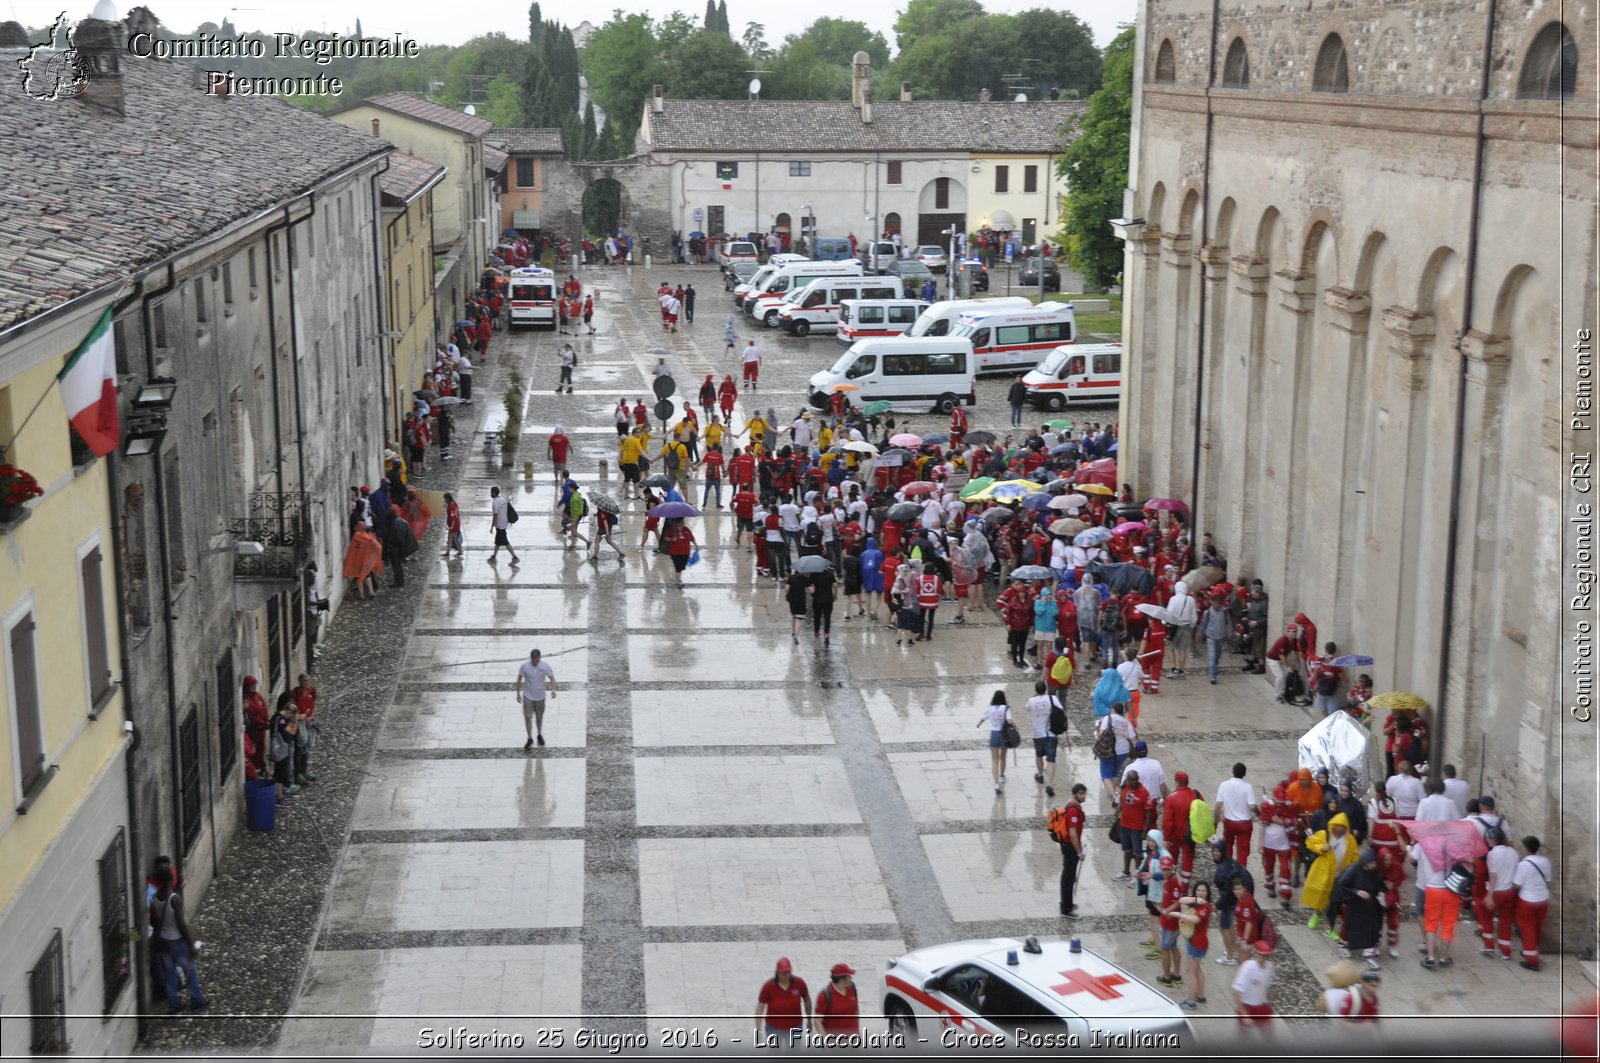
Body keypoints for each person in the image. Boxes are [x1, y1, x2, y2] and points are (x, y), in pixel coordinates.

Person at [148, 866, 208, 1014]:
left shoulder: (155, 898)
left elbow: (155, 922)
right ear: (171, 880)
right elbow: (181, 924)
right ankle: (197, 1000)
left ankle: (174, 1006)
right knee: (190, 972)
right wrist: (191, 944)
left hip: (164, 942)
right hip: (178, 941)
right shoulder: (175, 899)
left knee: (170, 975)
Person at [1303, 813, 1357, 931]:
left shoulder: (1350, 840)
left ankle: (1331, 921)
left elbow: (1354, 856)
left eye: (1341, 827)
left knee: (1335, 901)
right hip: (1324, 873)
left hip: (1340, 875)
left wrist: (1353, 870)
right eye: (1336, 826)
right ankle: (1317, 914)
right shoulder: (1324, 834)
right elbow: (1309, 842)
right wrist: (1322, 847)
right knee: (1321, 896)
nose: (1338, 829)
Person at [1337, 847, 1386, 969]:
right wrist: (1356, 892)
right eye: (1372, 863)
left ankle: (1369, 955)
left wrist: (1381, 892)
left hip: (1370, 905)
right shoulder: (1353, 870)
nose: (1374, 865)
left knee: (1372, 928)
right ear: (1366, 862)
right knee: (1351, 926)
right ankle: (1343, 945)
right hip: (1354, 905)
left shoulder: (1374, 872)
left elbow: (1381, 884)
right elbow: (1342, 886)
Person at [1477, 828, 1518, 960]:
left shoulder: (1492, 854)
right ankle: (1505, 951)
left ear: (1493, 839)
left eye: (1488, 838)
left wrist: (1489, 896)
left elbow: (1493, 876)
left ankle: (1488, 946)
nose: (1487, 840)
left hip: (1497, 891)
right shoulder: (1512, 852)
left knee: (1486, 916)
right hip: (1510, 891)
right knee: (1505, 920)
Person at [1513, 836, 1552, 971]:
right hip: (1543, 899)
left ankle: (1532, 961)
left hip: (1528, 900)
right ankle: (1531, 951)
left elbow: (1517, 884)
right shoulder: (1545, 861)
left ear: (1527, 848)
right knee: (1537, 928)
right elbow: (1547, 880)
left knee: (1527, 929)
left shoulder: (1523, 864)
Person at [1174, 881, 1214, 1009]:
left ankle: (1190, 1001)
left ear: (1208, 894)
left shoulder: (1206, 907)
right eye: (1199, 890)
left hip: (1197, 943)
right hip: (1198, 943)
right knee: (1197, 969)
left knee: (1190, 971)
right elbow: (1181, 899)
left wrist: (1179, 915)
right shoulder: (1197, 903)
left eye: (1204, 891)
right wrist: (1196, 899)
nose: (1201, 893)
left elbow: (1195, 920)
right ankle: (1200, 995)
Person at [755, 957, 810, 1045]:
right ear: (778, 972)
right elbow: (760, 1007)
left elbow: (807, 1000)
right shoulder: (768, 986)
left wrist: (809, 1019)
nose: (787, 975)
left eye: (789, 972)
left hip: (795, 1028)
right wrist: (758, 1029)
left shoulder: (799, 983)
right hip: (773, 1028)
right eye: (784, 973)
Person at [1213, 762, 1258, 867]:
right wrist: (1258, 813)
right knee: (1242, 851)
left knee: (1228, 846)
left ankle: (1227, 869)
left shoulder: (1224, 785)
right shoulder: (1248, 787)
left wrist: (1215, 821)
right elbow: (1252, 807)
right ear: (1244, 774)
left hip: (1229, 823)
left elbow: (1218, 806)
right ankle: (1241, 874)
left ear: (1232, 772)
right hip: (1245, 824)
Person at [515, 648, 557, 750]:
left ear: (539, 658)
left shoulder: (545, 666)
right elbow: (519, 679)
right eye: (533, 660)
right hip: (528, 695)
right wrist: (518, 693)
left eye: (536, 660)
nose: (534, 662)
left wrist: (553, 689)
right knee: (528, 717)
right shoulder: (525, 667)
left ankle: (539, 734)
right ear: (531, 658)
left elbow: (552, 678)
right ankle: (529, 738)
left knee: (539, 717)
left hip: (540, 696)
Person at [1056, 783, 1088, 917]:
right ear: (1075, 794)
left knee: (1068, 875)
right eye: (1080, 793)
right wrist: (1079, 851)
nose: (1083, 796)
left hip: (1068, 846)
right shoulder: (1074, 810)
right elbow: (1073, 833)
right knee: (1069, 877)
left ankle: (1067, 902)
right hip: (1070, 847)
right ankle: (1066, 909)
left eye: (1084, 793)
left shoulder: (1072, 806)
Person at [1116, 769, 1154, 880]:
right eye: (1131, 779)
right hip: (1124, 826)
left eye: (1135, 779)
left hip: (1136, 828)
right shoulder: (1125, 789)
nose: (1133, 782)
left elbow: (1148, 813)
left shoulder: (1144, 793)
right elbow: (1121, 805)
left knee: (1137, 853)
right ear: (1127, 780)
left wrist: (1145, 831)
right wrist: (1118, 821)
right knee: (1127, 850)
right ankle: (1126, 872)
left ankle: (1137, 876)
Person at [1026, 681, 1062, 797]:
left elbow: (1027, 708)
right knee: (1051, 760)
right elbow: (1061, 710)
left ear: (1036, 690)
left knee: (1039, 755)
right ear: (1045, 689)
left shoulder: (1032, 701)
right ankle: (1050, 784)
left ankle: (1040, 775)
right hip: (1051, 733)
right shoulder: (1052, 699)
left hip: (1038, 734)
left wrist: (1034, 696)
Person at [1231, 939, 1275, 1033]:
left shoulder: (1270, 967)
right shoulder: (1247, 968)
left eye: (1267, 956)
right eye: (1262, 956)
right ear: (1257, 954)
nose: (1264, 959)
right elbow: (1235, 992)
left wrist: (1268, 1001)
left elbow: (1266, 986)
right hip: (1247, 1007)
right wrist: (1245, 1015)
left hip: (1262, 1007)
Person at [1096, 701, 1136, 800]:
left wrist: (1096, 737)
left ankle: (1114, 796)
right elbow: (1133, 739)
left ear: (1113, 710)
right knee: (1114, 772)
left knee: (1105, 775)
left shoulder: (1108, 718)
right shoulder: (1126, 721)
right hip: (1123, 751)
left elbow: (1101, 734)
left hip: (1108, 749)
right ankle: (1112, 794)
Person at [978, 690, 1012, 794]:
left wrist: (978, 724)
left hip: (994, 735)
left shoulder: (990, 709)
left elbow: (983, 718)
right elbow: (1010, 721)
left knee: (994, 760)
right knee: (1003, 757)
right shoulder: (1006, 708)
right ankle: (1002, 776)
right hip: (1004, 735)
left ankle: (996, 783)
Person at [812, 963, 859, 1038]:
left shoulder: (852, 988)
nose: (851, 978)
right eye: (849, 976)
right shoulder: (824, 995)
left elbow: (856, 1010)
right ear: (841, 980)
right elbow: (817, 1021)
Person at [1200, 593, 1231, 684]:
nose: (1217, 605)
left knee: (1218, 655)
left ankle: (1215, 666)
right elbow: (1204, 623)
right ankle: (1212, 675)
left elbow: (1228, 623)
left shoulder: (1224, 612)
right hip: (1210, 636)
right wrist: (1202, 634)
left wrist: (1229, 634)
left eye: (1218, 603)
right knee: (1212, 656)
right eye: (1215, 603)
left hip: (1220, 636)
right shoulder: (1207, 612)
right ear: (1211, 603)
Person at [661, 518, 697, 589]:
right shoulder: (672, 530)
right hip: (675, 552)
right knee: (677, 565)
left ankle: (677, 578)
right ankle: (677, 579)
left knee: (682, 566)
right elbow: (665, 538)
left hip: (685, 551)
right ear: (677, 523)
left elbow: (692, 538)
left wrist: (696, 545)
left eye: (683, 522)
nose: (683, 524)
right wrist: (672, 539)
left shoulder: (686, 529)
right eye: (681, 523)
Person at [488, 485, 519, 565]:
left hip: (500, 525)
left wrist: (492, 526)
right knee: (498, 541)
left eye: (491, 492)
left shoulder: (495, 503)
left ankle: (515, 557)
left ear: (494, 493)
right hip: (504, 523)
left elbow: (495, 516)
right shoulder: (503, 499)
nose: (490, 493)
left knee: (505, 542)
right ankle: (494, 556)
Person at [440, 492, 464, 559]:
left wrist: (451, 526)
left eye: (445, 499)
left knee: (453, 538)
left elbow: (452, 517)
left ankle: (459, 549)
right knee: (451, 538)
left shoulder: (451, 506)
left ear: (447, 498)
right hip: (456, 523)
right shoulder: (454, 503)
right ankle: (449, 552)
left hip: (454, 525)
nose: (444, 500)